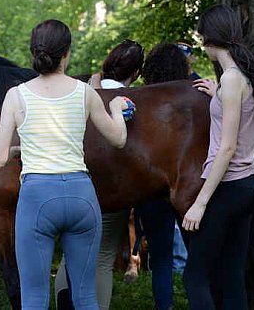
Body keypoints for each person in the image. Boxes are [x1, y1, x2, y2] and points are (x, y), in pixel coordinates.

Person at [0, 19, 131, 309]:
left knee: (34, 298)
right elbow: (118, 139)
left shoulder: (16, 95)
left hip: (38, 199)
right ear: (66, 53)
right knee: (85, 296)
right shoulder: (85, 92)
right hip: (82, 196)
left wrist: (25, 147)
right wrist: (117, 108)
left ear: (34, 52)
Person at [182, 5, 254, 310]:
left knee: (195, 277)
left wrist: (200, 203)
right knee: (232, 275)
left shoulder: (233, 79)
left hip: (228, 186)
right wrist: (217, 95)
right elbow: (240, 112)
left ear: (210, 38)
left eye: (201, 36)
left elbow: (227, 148)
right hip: (246, 186)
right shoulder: (237, 79)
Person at [56, 38, 145, 310]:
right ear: (136, 73)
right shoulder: (135, 102)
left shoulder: (78, 92)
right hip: (113, 193)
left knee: (67, 258)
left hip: (72, 188)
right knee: (103, 258)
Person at [136, 42, 191, 310]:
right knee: (201, 253)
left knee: (160, 258)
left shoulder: (140, 102)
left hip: (150, 187)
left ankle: (165, 305)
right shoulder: (192, 105)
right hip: (189, 185)